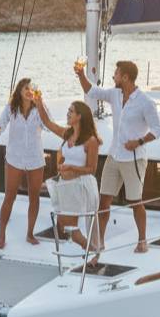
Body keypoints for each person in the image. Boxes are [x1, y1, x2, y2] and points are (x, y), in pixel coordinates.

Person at [76, 60, 160, 253]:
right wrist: (81, 75)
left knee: (135, 202)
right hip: (114, 156)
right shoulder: (115, 94)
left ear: (125, 77)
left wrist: (138, 142)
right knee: (104, 201)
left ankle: (142, 241)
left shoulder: (145, 102)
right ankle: (99, 243)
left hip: (134, 159)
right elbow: (92, 91)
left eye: (116, 74)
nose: (113, 76)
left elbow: (157, 130)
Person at [37, 97, 101, 253]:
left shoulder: (91, 141)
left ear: (79, 116)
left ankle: (93, 252)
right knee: (64, 226)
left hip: (79, 186)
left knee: (69, 226)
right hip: (65, 186)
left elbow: (92, 169)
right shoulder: (67, 134)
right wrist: (38, 102)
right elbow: (47, 123)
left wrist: (72, 167)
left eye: (71, 111)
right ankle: (93, 252)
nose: (67, 114)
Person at [0, 78, 47, 249]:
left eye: (32, 88)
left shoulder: (39, 109)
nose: (29, 90)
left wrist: (41, 105)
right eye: (26, 87)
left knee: (34, 197)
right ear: (19, 90)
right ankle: (1, 235)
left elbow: (48, 124)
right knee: (10, 196)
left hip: (35, 158)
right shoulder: (11, 108)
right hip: (15, 158)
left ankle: (30, 233)